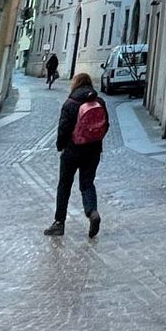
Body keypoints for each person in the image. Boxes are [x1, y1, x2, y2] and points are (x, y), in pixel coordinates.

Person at [45, 72, 105, 238]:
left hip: (72, 150)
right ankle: (92, 212)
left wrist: (61, 147)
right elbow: (105, 125)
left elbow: (63, 130)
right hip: (93, 150)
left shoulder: (70, 103)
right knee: (87, 183)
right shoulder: (99, 102)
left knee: (64, 186)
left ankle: (59, 223)